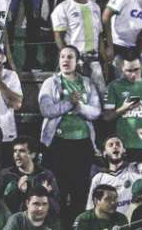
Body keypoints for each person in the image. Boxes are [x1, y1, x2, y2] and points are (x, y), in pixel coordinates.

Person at [38, 46, 100, 224]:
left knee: (80, 191)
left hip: (82, 145)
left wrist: (79, 107)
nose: (65, 60)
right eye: (62, 57)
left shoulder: (87, 83)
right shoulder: (51, 83)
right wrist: (68, 103)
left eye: (70, 57)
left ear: (77, 61)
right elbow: (46, 109)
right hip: (58, 145)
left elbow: (96, 112)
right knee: (58, 191)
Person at [51, 0, 105, 98]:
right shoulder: (62, 8)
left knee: (101, 96)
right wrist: (70, 59)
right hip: (76, 62)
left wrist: (104, 60)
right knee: (77, 97)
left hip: (94, 61)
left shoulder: (95, 7)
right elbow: (58, 37)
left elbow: (100, 35)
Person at [102, 54, 142, 162]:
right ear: (122, 69)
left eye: (136, 69)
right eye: (128, 71)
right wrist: (124, 108)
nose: (133, 74)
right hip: (123, 146)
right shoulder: (114, 86)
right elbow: (107, 117)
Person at [85, 137, 142, 219]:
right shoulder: (99, 178)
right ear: (104, 153)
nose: (115, 146)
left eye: (118, 144)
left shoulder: (135, 169)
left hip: (135, 222)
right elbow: (90, 208)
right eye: (110, 145)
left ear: (124, 150)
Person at [0, 138, 59, 218]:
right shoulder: (5, 175)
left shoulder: (46, 175)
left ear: (32, 154)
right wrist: (19, 192)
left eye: (22, 151)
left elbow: (56, 209)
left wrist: (44, 194)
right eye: (15, 151)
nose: (17, 155)